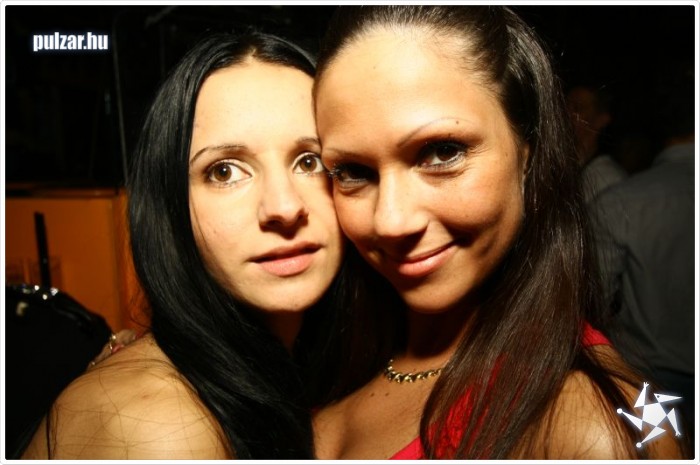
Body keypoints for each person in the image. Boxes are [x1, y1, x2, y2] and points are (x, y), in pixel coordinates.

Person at [310, 5, 687, 459]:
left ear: (528, 153)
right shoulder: (330, 346)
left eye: (443, 152)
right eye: (352, 171)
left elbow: (655, 432)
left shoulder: (602, 415)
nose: (391, 221)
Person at [20, 30, 348, 459]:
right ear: (171, 206)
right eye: (225, 171)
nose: (284, 208)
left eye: (310, 161)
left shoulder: (315, 362)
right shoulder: (164, 427)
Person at [590, 60, 695, 447]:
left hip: (649, 386)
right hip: (649, 382)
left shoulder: (621, 202)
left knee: (654, 455)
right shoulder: (620, 201)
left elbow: (592, 300)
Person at [566, 85, 628, 203]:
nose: (567, 114)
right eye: (565, 106)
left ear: (601, 120)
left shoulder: (609, 178)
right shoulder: (561, 167)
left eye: (577, 108)